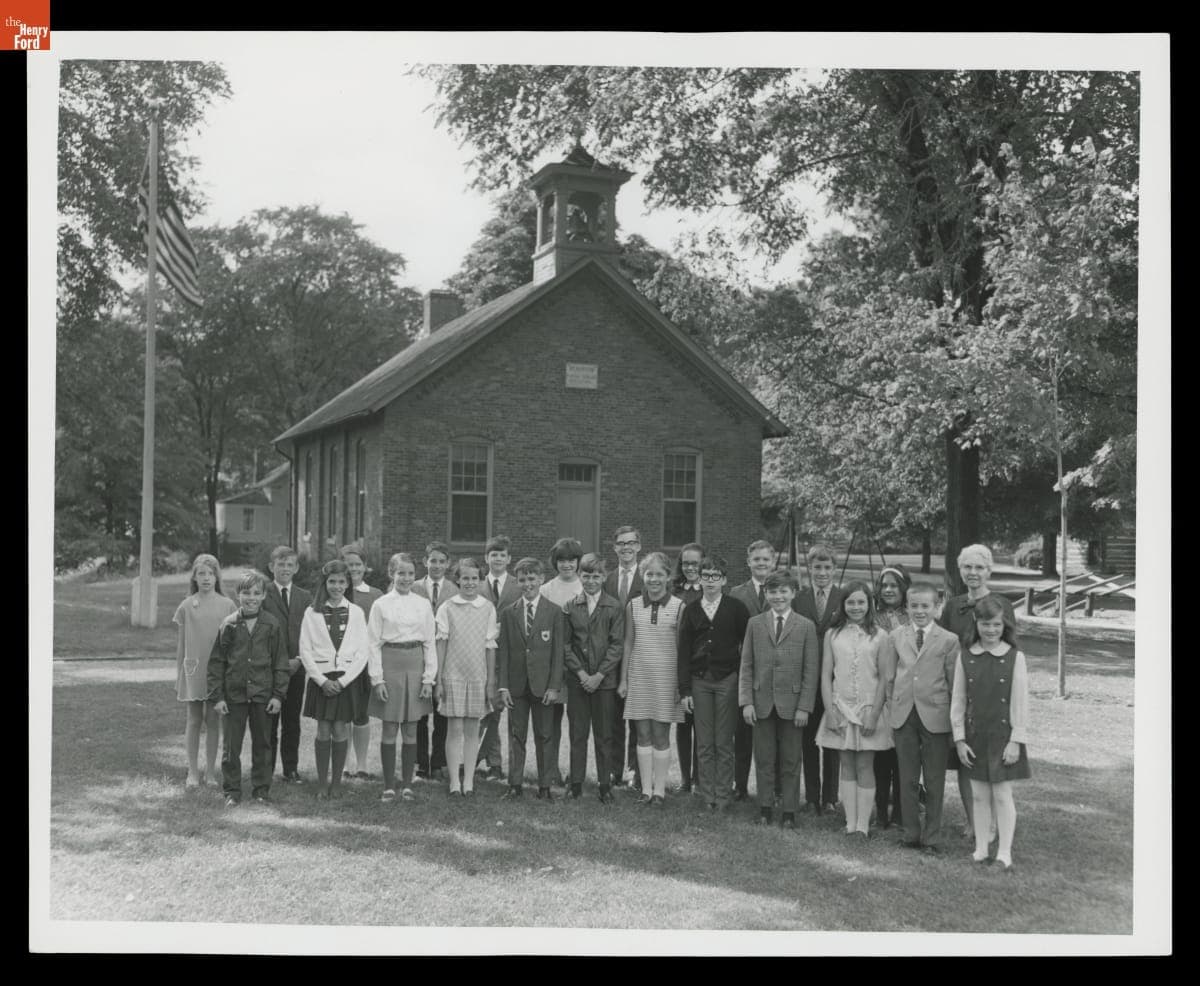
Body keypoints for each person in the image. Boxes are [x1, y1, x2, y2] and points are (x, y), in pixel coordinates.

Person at [938, 544, 1017, 842]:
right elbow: (943, 646)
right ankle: (974, 822)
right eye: (967, 567)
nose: (973, 573)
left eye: (979, 567)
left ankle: (995, 823)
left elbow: (1010, 648)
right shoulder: (953, 605)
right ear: (960, 570)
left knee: (991, 759)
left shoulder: (1001, 604)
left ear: (989, 570)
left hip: (991, 689)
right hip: (959, 689)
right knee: (964, 759)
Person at [952, 595, 1031, 872]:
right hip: (975, 736)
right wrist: (960, 739)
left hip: (1002, 737)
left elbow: (1020, 702)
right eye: (985, 624)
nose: (991, 630)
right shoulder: (966, 656)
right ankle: (981, 848)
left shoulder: (1014, 657)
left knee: (1001, 795)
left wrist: (1016, 741)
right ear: (977, 623)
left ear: (1004, 625)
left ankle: (1005, 853)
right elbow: (958, 701)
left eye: (996, 625)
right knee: (978, 796)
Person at [881, 583, 961, 854]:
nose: (919, 611)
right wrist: (892, 713)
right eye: (914, 605)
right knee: (907, 778)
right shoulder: (896, 636)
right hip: (904, 715)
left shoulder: (949, 640)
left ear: (936, 608)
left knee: (935, 778)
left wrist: (953, 722)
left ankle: (932, 837)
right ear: (906, 608)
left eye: (925, 606)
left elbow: (953, 684)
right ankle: (910, 833)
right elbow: (890, 678)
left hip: (936, 716)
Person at [738, 571, 819, 829]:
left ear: (793, 593)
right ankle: (764, 807)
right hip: (761, 701)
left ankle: (789, 810)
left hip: (793, 705)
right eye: (773, 592)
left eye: (784, 591)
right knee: (763, 757)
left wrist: (805, 706)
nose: (778, 596)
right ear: (766, 594)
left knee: (791, 759)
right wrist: (746, 701)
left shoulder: (806, 626)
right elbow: (746, 665)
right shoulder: (755, 623)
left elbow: (810, 670)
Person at [815, 580, 893, 837]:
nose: (856, 607)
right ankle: (849, 822)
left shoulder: (880, 636)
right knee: (846, 764)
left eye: (861, 602)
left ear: (870, 604)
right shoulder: (833, 635)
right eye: (851, 602)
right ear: (843, 604)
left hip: (868, 708)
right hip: (840, 706)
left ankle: (863, 824)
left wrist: (874, 713)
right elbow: (826, 675)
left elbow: (883, 677)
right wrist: (830, 709)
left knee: (864, 765)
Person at [207, 571, 288, 806]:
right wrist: (218, 696)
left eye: (256, 593)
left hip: (263, 695)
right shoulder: (229, 625)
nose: (251, 598)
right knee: (231, 746)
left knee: (263, 744)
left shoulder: (272, 625)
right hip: (234, 696)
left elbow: (280, 663)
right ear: (238, 595)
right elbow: (217, 662)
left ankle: (261, 789)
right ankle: (232, 791)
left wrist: (278, 695)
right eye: (246, 593)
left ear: (263, 595)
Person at [677, 553, 750, 812]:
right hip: (699, 682)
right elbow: (683, 651)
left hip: (727, 680)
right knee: (705, 741)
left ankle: (723, 793)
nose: (710, 581)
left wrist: (742, 682)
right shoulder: (692, 610)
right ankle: (707, 794)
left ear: (724, 580)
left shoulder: (736, 609)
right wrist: (684, 690)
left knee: (724, 741)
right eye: (705, 576)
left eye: (715, 577)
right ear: (700, 579)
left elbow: (748, 647)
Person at [366, 552, 437, 803]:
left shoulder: (423, 604)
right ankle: (388, 785)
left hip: (415, 666)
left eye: (410, 573)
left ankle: (407, 784)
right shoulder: (381, 604)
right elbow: (373, 644)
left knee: (411, 728)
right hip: (390, 666)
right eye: (401, 573)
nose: (406, 578)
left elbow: (429, 642)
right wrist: (378, 679)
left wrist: (428, 679)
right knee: (389, 727)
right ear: (391, 574)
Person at [299, 559, 371, 800]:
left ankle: (337, 783)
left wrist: (343, 681)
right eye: (332, 581)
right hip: (322, 679)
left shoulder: (357, 613)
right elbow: (305, 650)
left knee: (340, 728)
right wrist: (321, 680)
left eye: (341, 582)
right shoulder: (312, 612)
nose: (337, 586)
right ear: (324, 583)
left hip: (345, 680)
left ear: (347, 584)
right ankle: (322, 783)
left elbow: (362, 652)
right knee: (323, 729)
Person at [619, 552, 686, 807]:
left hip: (666, 678)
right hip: (639, 675)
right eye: (649, 574)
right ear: (642, 576)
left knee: (661, 735)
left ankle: (660, 791)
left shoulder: (679, 606)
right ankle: (645, 790)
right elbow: (628, 644)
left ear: (668, 576)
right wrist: (624, 679)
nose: (654, 579)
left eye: (660, 574)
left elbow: (682, 648)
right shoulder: (633, 605)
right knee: (642, 734)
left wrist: (681, 684)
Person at [497, 558, 565, 800]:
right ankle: (515, 784)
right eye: (523, 580)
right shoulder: (508, 613)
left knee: (545, 734)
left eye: (532, 579)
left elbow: (558, 653)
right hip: (516, 685)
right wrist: (503, 685)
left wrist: (554, 686)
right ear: (517, 582)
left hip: (543, 686)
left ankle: (544, 785)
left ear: (541, 579)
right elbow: (503, 652)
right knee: (517, 734)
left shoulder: (555, 612)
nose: (528, 584)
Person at [562, 553, 624, 802]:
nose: (590, 581)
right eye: (586, 575)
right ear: (579, 576)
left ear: (604, 577)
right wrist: (581, 673)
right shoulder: (570, 606)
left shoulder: (614, 606)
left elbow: (616, 645)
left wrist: (598, 675)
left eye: (596, 576)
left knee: (604, 734)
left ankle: (604, 784)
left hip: (604, 682)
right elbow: (565, 646)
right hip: (578, 681)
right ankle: (575, 783)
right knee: (578, 733)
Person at [434, 558, 498, 798]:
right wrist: (438, 679)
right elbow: (441, 644)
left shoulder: (487, 608)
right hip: (453, 674)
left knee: (473, 729)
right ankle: (453, 782)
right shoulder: (447, 607)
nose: (470, 583)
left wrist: (490, 681)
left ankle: (468, 781)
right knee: (454, 728)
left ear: (480, 580)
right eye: (465, 578)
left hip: (477, 674)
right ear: (457, 580)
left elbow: (490, 646)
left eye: (474, 578)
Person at [173, 553, 236, 787]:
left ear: (217, 577)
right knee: (193, 719)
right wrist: (179, 673)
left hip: (217, 671)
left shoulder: (228, 605)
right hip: (193, 670)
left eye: (211, 574)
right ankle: (192, 771)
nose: (207, 578)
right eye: (202, 574)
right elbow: (181, 644)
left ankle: (210, 772)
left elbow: (232, 644)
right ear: (195, 577)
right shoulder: (186, 606)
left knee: (213, 720)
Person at [794, 544, 847, 814]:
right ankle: (812, 796)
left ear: (834, 570)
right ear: (809, 569)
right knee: (809, 740)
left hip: (836, 679)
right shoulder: (799, 598)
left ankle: (830, 798)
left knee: (833, 739)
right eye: (817, 567)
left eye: (827, 568)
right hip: (806, 679)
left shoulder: (843, 598)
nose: (822, 572)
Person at [727, 540, 777, 802]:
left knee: (772, 735)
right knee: (742, 733)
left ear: (773, 561)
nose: (761, 563)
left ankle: (774, 787)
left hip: (774, 673)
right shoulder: (736, 593)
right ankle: (740, 785)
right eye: (756, 559)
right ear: (748, 562)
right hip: (743, 670)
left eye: (765, 559)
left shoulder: (783, 591)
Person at [261, 545, 312, 784]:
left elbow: (312, 633)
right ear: (271, 567)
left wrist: (300, 659)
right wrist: (277, 662)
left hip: (296, 667)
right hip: (270, 668)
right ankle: (266, 768)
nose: (285, 569)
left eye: (290, 564)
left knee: (292, 720)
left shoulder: (305, 597)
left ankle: (290, 768)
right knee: (268, 719)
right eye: (280, 564)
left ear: (297, 568)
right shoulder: (262, 593)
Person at [540, 537, 584, 786]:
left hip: (578, 664)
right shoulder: (547, 589)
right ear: (555, 562)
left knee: (577, 722)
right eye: (562, 560)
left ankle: (575, 773)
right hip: (552, 664)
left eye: (572, 560)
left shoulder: (584, 587)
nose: (567, 565)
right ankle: (551, 769)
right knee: (551, 721)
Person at [477, 535, 520, 782]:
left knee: (506, 711)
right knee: (489, 711)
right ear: (487, 558)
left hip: (511, 656)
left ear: (509, 559)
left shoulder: (516, 585)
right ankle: (494, 764)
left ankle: (501, 763)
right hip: (483, 655)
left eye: (502, 555)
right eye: (494, 555)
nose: (498, 559)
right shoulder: (477, 584)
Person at [412, 541, 456, 782]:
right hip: (418, 656)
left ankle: (438, 762)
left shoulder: (455, 589)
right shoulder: (415, 587)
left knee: (442, 714)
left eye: (441, 561)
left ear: (448, 564)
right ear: (425, 561)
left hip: (445, 657)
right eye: (433, 560)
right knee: (420, 714)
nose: (437, 565)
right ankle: (421, 763)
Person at [604, 526, 644, 789]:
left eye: (631, 543)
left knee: (639, 718)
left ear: (638, 546)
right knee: (613, 719)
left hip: (641, 657)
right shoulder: (606, 579)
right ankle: (614, 769)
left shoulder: (648, 576)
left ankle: (637, 770)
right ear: (615, 548)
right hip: (611, 659)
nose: (626, 547)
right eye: (621, 543)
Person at [872, 565, 911, 828]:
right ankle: (880, 810)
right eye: (884, 585)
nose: (888, 590)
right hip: (876, 692)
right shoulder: (871, 617)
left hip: (906, 693)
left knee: (903, 756)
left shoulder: (913, 615)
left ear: (903, 588)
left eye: (894, 585)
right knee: (880, 755)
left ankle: (901, 809)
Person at [342, 546, 382, 782]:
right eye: (348, 564)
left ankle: (363, 764)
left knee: (361, 714)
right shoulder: (335, 591)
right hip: (342, 662)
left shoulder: (375, 594)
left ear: (365, 567)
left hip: (366, 662)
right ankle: (345, 763)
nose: (353, 569)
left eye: (357, 564)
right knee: (343, 714)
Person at [670, 542, 705, 794]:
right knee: (683, 723)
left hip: (702, 665)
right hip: (677, 664)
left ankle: (699, 778)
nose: (690, 567)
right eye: (686, 563)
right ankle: (684, 777)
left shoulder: (710, 589)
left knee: (701, 724)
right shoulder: (673, 591)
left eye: (695, 563)